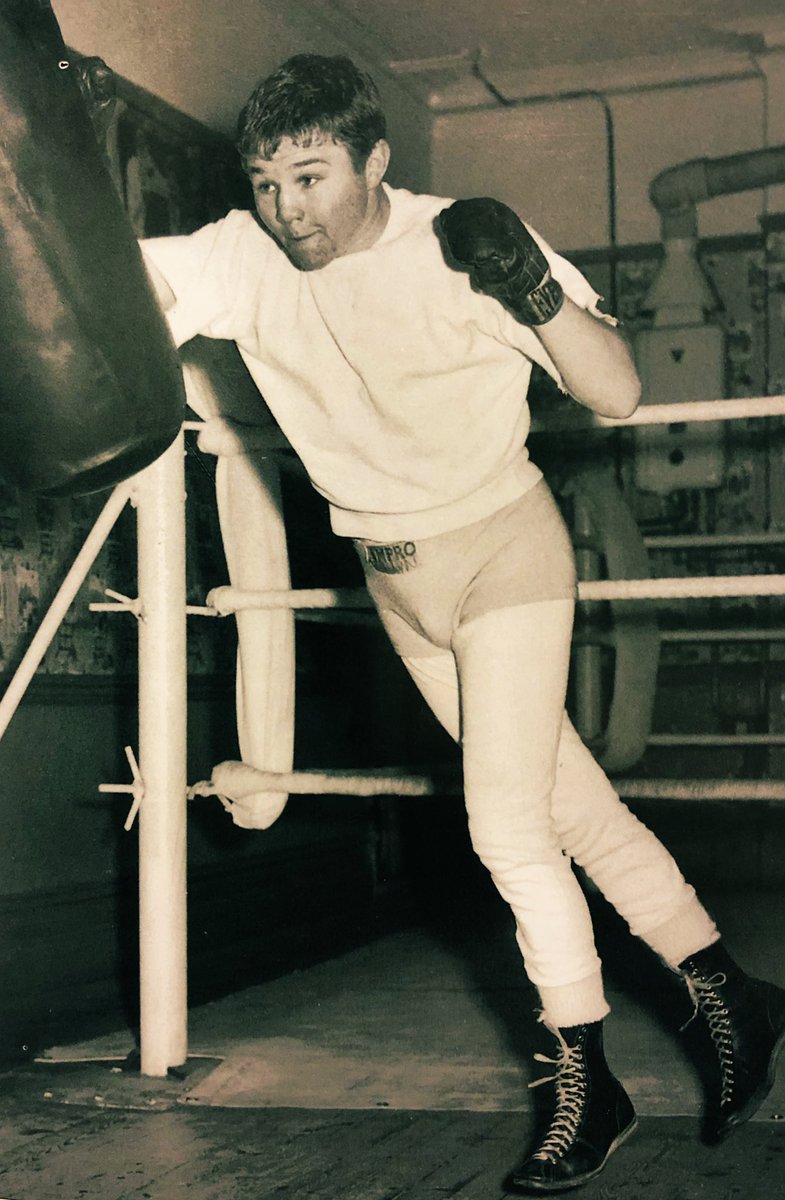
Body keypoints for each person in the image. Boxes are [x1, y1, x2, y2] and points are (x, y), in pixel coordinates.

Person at [140, 54, 785, 1193]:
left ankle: (586, 1080)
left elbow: (617, 393)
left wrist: (529, 288)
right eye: (267, 183)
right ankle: (732, 995)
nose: (288, 209)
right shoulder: (241, 255)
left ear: (375, 161)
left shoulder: (458, 240)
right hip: (397, 584)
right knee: (576, 814)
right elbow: (105, 295)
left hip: (503, 555)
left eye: (311, 176)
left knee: (505, 828)